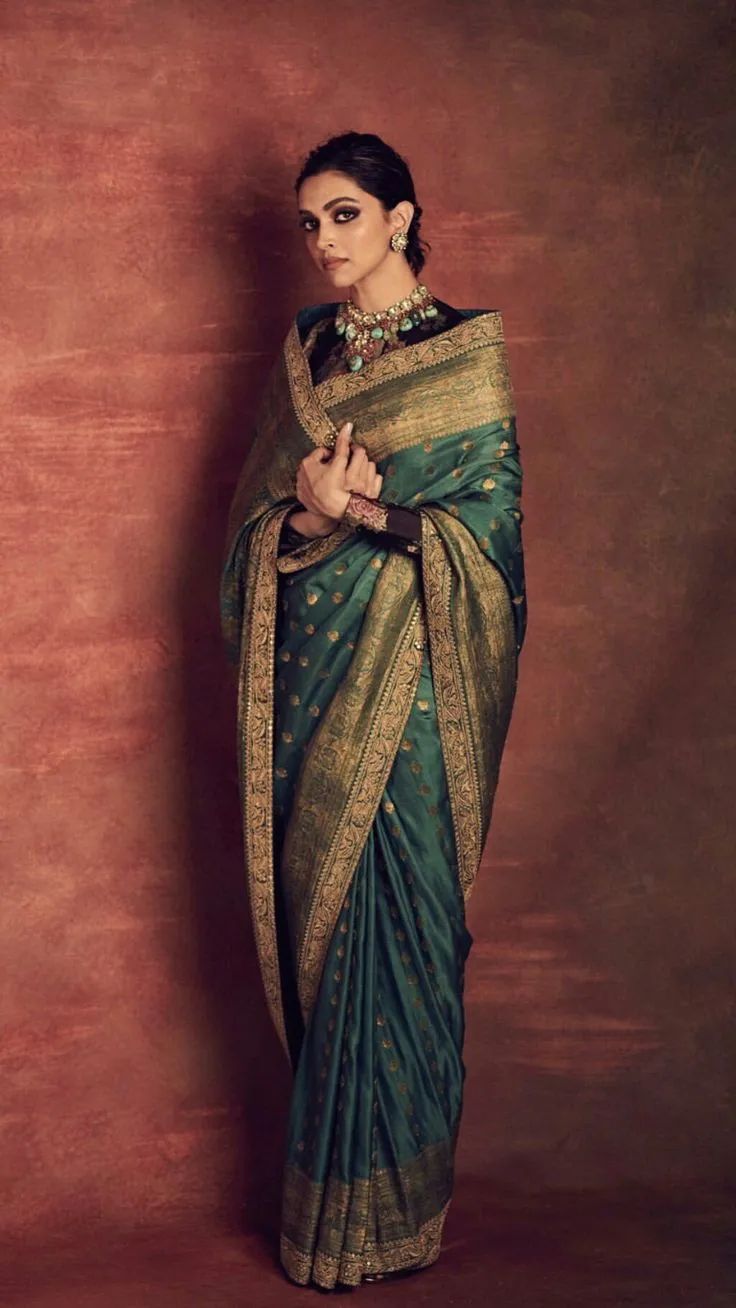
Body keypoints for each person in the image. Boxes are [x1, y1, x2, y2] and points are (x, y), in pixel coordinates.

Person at [220, 130, 528, 1291]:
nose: (322, 241)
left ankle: (396, 1215)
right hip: (314, 682)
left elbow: (487, 550)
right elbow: (254, 536)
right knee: (329, 929)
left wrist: (366, 514)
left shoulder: (464, 353)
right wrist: (306, 516)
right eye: (309, 222)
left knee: (402, 924)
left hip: (415, 691)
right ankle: (323, 1223)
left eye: (343, 214)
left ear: (400, 218)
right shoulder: (305, 354)